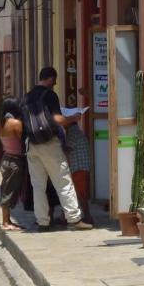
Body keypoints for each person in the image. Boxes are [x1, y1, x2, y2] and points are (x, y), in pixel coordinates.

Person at [23, 67, 92, 231]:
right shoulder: (49, 94)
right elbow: (57, 119)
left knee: (38, 185)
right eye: (54, 81)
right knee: (63, 181)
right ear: (50, 78)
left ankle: (42, 222)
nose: (54, 84)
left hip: (31, 144)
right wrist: (74, 117)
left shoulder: (27, 96)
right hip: (49, 143)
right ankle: (74, 219)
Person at [0, 97, 26, 231]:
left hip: (6, 158)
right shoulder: (15, 123)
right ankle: (6, 222)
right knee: (10, 191)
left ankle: (7, 220)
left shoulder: (0, 124)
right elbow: (23, 140)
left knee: (6, 188)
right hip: (15, 160)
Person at [64, 93, 94, 226]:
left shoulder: (72, 133)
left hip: (78, 168)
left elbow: (66, 149)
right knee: (77, 193)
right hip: (83, 167)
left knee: (80, 195)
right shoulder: (78, 131)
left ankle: (88, 217)